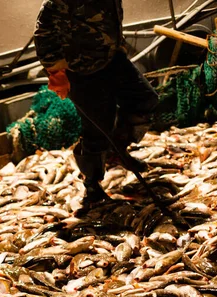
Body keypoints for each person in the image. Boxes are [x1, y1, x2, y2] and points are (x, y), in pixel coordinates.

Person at [34, 0, 159, 211]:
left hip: (112, 60)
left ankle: (117, 148)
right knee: (97, 129)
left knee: (144, 98)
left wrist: (117, 44)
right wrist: (56, 71)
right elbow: (43, 33)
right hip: (81, 70)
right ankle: (92, 187)